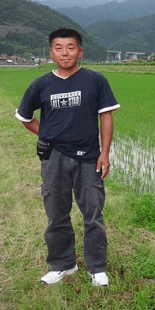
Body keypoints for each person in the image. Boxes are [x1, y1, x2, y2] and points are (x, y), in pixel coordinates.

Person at [15, 28, 120, 286]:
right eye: (59, 48)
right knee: (56, 213)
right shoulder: (40, 84)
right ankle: (63, 264)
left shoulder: (95, 80)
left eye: (71, 47)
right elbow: (25, 117)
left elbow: (106, 115)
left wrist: (104, 153)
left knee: (93, 214)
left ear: (80, 51)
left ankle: (97, 268)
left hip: (88, 157)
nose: (65, 52)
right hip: (54, 158)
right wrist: (49, 134)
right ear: (51, 53)